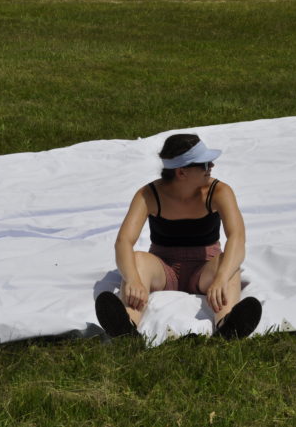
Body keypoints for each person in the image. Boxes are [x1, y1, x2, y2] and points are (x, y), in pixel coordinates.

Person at [95, 134, 262, 340]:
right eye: (204, 164)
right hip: (163, 268)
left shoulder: (219, 191)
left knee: (228, 265)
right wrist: (132, 278)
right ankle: (126, 329)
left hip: (204, 268)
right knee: (136, 260)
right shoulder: (149, 194)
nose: (212, 166)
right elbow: (123, 242)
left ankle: (227, 327)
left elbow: (237, 237)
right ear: (181, 172)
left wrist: (220, 277)